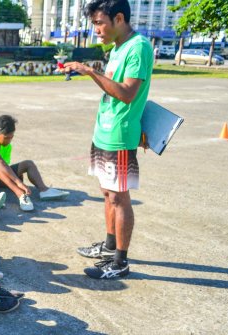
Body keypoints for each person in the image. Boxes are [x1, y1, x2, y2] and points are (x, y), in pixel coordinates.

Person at [62, 0, 153, 279]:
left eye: (100, 23)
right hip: (104, 130)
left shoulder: (138, 47)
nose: (97, 30)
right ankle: (109, 245)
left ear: (119, 18)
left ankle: (120, 262)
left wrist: (90, 71)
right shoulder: (117, 48)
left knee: (119, 197)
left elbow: (127, 93)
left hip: (119, 135)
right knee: (107, 193)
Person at [0, 115, 69, 212]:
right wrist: (19, 183)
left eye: (11, 137)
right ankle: (21, 195)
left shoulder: (7, 146)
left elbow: (5, 167)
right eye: (6, 138)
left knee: (28, 164)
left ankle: (44, 190)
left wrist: (17, 177)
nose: (9, 140)